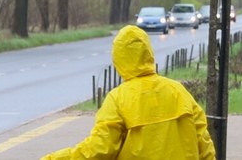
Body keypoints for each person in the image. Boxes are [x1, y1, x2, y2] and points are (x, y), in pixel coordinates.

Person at [42, 25, 214, 160]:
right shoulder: (179, 92)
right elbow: (204, 146)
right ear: (149, 53)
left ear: (118, 59)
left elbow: (99, 150)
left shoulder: (118, 99)